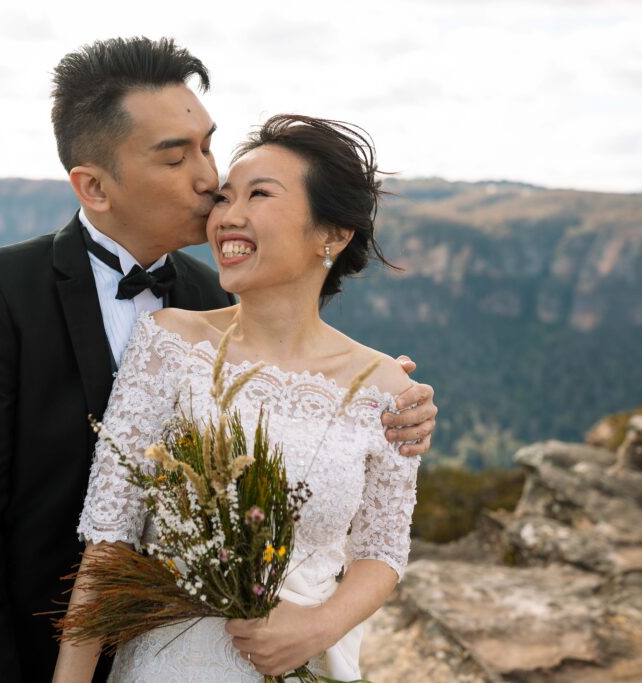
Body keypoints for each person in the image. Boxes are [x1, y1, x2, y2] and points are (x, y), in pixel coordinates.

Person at [0, 37, 437, 683]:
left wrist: (391, 402)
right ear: (95, 187)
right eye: (176, 157)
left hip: (165, 643)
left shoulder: (213, 294)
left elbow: (299, 377)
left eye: (207, 146)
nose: (210, 179)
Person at [54, 114, 422, 682]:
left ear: (333, 233)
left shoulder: (388, 390)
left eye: (260, 195)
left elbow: (383, 549)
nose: (228, 216)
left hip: (304, 665)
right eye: (226, 197)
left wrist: (318, 629)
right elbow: (109, 542)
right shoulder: (169, 344)